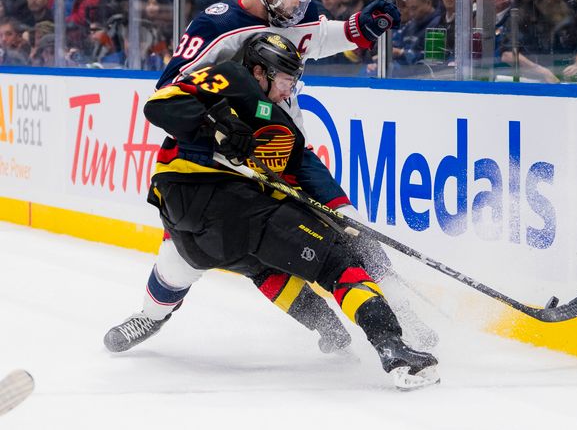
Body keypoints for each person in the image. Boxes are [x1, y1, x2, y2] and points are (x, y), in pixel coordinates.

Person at [104, 34, 440, 390]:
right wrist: (215, 121)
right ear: (259, 71)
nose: (287, 92)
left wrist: (343, 213)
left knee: (254, 261)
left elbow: (307, 175)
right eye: (283, 81)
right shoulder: (232, 78)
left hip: (188, 224)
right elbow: (160, 106)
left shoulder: (283, 128)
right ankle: (394, 348)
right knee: (335, 264)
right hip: (217, 200)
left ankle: (325, 326)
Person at [152, 0, 437, 353]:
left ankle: (406, 316)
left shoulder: (282, 20)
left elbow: (315, 38)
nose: (300, 3)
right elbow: (170, 91)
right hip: (229, 166)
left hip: (288, 152)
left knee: (354, 228)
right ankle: (151, 313)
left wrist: (361, 28)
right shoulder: (215, 26)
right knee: (187, 257)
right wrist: (221, 124)